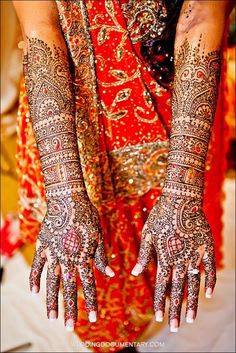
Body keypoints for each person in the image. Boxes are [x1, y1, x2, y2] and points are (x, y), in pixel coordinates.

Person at [13, 0, 234, 351]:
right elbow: (42, 27)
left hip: (180, 96)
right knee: (85, 253)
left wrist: (182, 190)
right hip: (72, 114)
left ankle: (140, 326)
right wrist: (65, 193)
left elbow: (201, 16)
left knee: (167, 246)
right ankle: (110, 340)